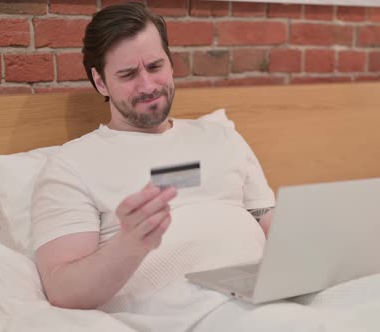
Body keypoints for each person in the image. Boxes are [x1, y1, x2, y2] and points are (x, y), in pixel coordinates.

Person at [31, 2, 275, 319]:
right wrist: (131, 242)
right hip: (195, 315)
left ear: (171, 64)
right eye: (128, 74)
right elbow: (63, 290)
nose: (147, 86)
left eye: (155, 66)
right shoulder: (71, 165)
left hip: (268, 298)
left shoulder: (221, 137)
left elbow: (269, 223)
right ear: (101, 81)